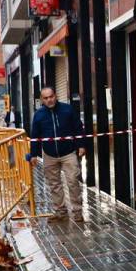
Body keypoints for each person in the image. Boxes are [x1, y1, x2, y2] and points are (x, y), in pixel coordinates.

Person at [28, 87, 90, 221]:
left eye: (51, 96)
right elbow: (35, 136)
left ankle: (78, 212)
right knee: (54, 185)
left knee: (73, 181)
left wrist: (81, 145)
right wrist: (33, 154)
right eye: (46, 98)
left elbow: (78, 128)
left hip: (68, 153)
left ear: (55, 96)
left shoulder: (67, 110)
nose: (49, 100)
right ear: (42, 100)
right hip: (49, 155)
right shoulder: (39, 115)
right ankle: (60, 212)